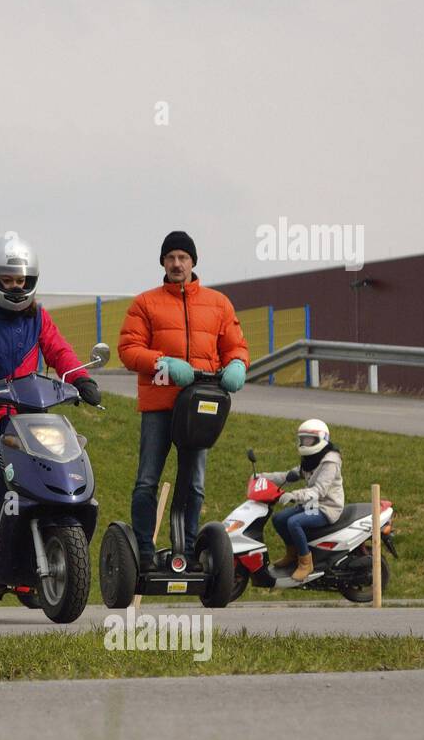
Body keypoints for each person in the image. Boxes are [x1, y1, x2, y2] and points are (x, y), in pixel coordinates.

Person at [0, 232, 101, 561]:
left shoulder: (38, 317)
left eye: (21, 280)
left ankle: (56, 518)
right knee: (5, 448)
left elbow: (60, 352)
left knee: (68, 446)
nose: (15, 287)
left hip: (29, 417)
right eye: (7, 280)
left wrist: (82, 379)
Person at [117, 230, 249, 571]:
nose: (177, 264)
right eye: (171, 257)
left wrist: (237, 365)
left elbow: (235, 346)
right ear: (163, 261)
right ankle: (144, 552)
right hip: (160, 405)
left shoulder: (218, 303)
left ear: (193, 262)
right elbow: (129, 350)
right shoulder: (145, 303)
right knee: (147, 479)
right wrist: (162, 362)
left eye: (183, 258)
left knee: (194, 483)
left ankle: (189, 552)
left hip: (201, 406)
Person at [260, 419, 345, 582]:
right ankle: (292, 554)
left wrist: (294, 495)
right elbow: (289, 475)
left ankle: (306, 562)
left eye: (309, 439)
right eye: (303, 439)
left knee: (294, 522)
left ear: (321, 438)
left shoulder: (330, 461)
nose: (305, 443)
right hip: (312, 504)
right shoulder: (311, 458)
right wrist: (265, 477)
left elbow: (319, 490)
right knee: (278, 519)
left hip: (327, 507)